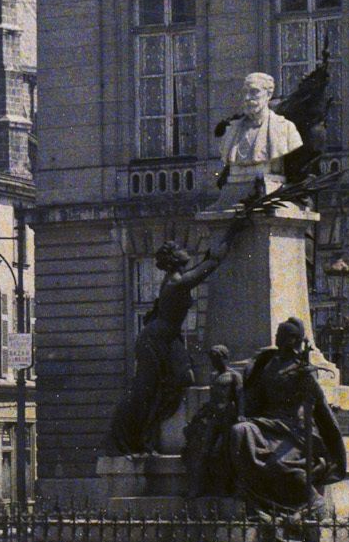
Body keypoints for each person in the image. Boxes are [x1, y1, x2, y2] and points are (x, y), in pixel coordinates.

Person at [107, 235, 235, 456]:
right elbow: (210, 264)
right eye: (177, 249)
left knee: (181, 380)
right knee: (145, 390)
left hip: (166, 339)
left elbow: (202, 265)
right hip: (155, 341)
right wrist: (232, 234)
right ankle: (131, 437)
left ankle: (150, 432)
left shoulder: (177, 277)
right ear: (173, 259)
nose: (183, 249)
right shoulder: (177, 281)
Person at [230, 316, 347, 524]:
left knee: (279, 462)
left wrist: (333, 445)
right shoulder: (266, 364)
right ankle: (250, 496)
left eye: (281, 336)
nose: (277, 338)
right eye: (277, 334)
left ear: (293, 340)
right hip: (265, 423)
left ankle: (308, 499)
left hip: (293, 429)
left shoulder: (301, 370)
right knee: (240, 430)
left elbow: (320, 407)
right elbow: (253, 396)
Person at [216, 71, 304, 208]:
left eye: (254, 92)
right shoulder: (231, 131)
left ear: (268, 95)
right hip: (234, 191)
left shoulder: (285, 129)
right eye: (245, 92)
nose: (247, 97)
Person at [183, 344, 243, 501]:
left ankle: (230, 486)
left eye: (215, 358)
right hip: (215, 417)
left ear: (223, 358)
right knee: (204, 451)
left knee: (226, 452)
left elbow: (240, 398)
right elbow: (212, 400)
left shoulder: (234, 376)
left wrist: (241, 416)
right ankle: (197, 488)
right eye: (212, 359)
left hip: (229, 417)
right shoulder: (214, 376)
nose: (213, 362)